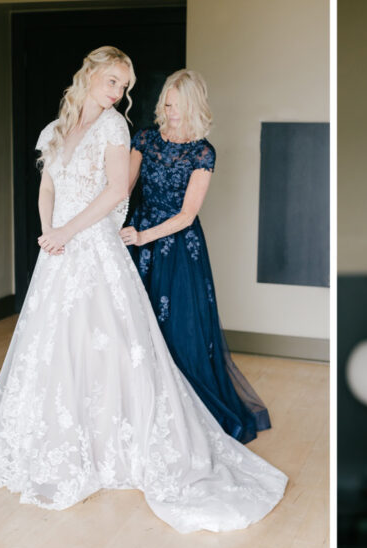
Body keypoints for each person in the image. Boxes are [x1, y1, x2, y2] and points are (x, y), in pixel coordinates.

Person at [0, 46, 286, 533]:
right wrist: (49, 232)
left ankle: (117, 440)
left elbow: (119, 192)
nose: (120, 94)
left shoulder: (120, 129)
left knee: (120, 342)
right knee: (54, 345)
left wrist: (71, 233)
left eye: (125, 87)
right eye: (113, 82)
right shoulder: (58, 130)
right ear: (90, 75)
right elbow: (49, 186)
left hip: (113, 245)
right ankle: (54, 438)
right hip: (63, 250)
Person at [118, 69, 269, 444]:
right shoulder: (145, 139)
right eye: (167, 105)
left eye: (178, 107)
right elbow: (124, 188)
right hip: (137, 236)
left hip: (177, 246)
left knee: (179, 330)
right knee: (135, 325)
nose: (170, 113)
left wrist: (142, 237)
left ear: (194, 108)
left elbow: (186, 215)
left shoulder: (203, 151)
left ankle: (182, 413)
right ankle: (139, 408)